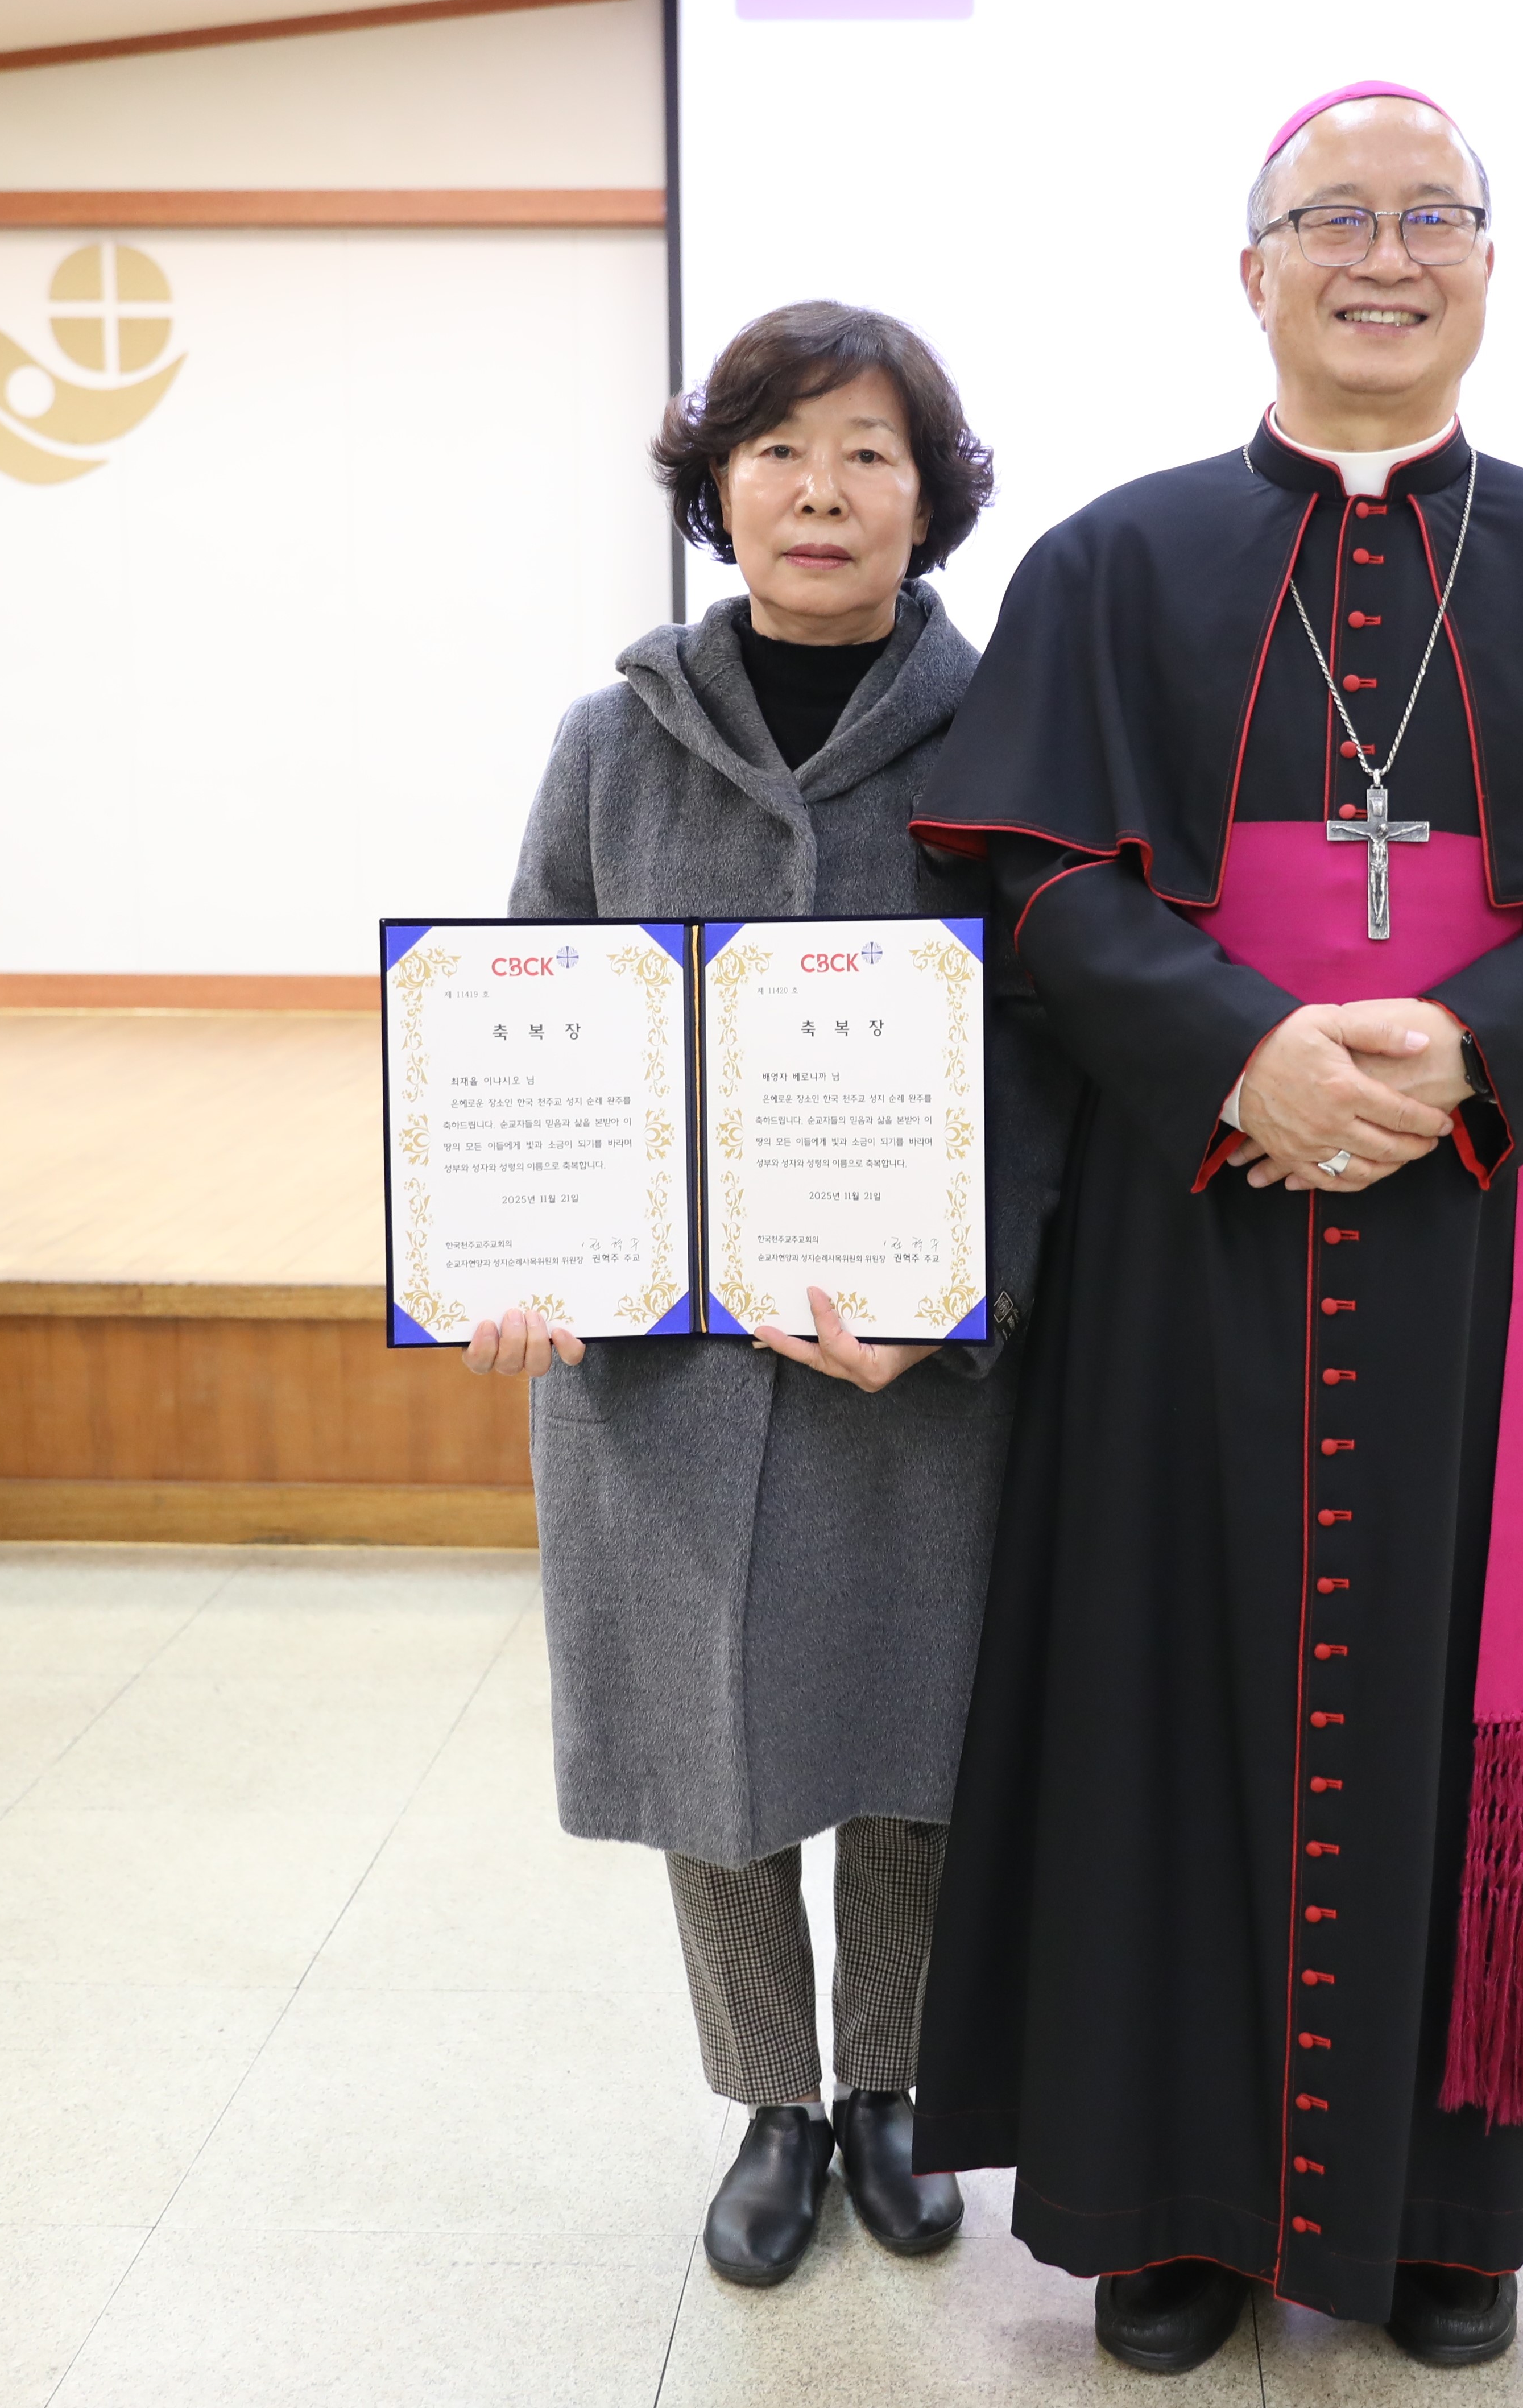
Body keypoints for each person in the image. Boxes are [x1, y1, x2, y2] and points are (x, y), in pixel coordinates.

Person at [904, 85, 1523, 2370]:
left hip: (1485, 1221)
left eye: (1432, 219)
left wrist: (1462, 1057)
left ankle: (1456, 2206)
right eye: (1335, 220)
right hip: (1184, 1203)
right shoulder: (1111, 568)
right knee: (1159, 1673)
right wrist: (1246, 1053)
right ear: (1255, 273)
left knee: (1464, 1681)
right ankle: (1160, 2206)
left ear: (1488, 270)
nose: (1382, 256)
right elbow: (1036, 875)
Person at [467, 300, 1073, 2290]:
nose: (824, 488)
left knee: (912, 1733)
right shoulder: (610, 740)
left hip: (914, 1350)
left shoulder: (1015, 740)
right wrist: (522, 1252)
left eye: (871, 450)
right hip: (668, 1364)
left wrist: (957, 1300)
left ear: (934, 496)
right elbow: (533, 1020)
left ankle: (894, 2084)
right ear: (715, 487)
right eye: (781, 447)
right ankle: (770, 2100)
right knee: (704, 1743)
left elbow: (1060, 1061)